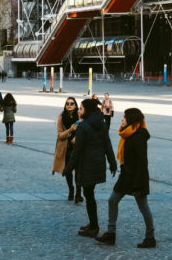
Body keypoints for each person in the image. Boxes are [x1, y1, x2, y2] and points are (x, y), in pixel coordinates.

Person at [96, 107, 155, 248]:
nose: (121, 119)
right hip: (126, 176)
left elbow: (142, 162)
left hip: (136, 178)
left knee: (143, 207)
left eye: (124, 117)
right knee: (112, 201)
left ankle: (150, 237)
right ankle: (111, 233)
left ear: (131, 120)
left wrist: (139, 183)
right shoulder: (127, 134)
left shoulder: (138, 137)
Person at [63, 97, 116, 238]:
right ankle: (92, 224)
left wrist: (68, 168)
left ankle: (94, 227)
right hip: (98, 163)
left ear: (87, 110)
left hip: (87, 164)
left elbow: (77, 151)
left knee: (89, 195)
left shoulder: (84, 126)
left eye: (81, 108)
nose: (79, 111)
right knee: (89, 194)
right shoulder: (101, 123)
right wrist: (112, 162)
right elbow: (107, 144)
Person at [52, 97, 81, 202]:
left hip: (78, 148)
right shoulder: (61, 118)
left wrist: (76, 137)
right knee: (68, 171)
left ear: (75, 105)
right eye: (67, 103)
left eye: (72, 103)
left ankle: (78, 192)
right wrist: (71, 130)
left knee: (79, 172)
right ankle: (71, 190)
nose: (69, 105)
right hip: (66, 148)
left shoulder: (80, 116)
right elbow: (60, 135)